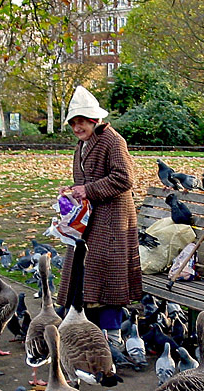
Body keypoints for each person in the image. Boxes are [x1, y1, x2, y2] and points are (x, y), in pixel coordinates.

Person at [56, 85, 142, 347]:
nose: (77, 128)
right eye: (73, 123)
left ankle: (113, 338)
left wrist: (88, 190)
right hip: (90, 219)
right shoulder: (83, 145)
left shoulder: (113, 141)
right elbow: (84, 180)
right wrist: (72, 192)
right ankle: (84, 328)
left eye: (81, 122)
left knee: (109, 277)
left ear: (94, 120)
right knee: (83, 271)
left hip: (113, 219)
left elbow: (125, 178)